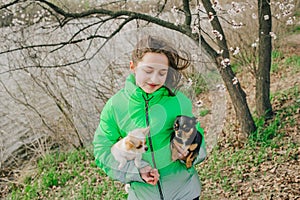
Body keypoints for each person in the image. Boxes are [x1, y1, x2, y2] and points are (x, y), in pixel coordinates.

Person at [93, 35, 206, 200]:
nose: (154, 79)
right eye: (148, 71)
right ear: (133, 67)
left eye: (162, 73)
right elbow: (101, 149)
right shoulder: (115, 106)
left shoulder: (178, 100)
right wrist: (136, 171)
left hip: (185, 192)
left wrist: (192, 151)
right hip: (142, 195)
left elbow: (198, 137)